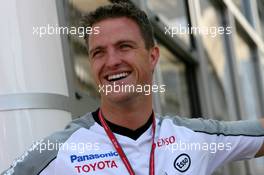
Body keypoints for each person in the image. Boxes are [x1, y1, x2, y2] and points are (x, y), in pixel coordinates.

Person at [2, 2, 264, 175]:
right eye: (98, 53)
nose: (112, 61)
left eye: (124, 46)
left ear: (152, 57)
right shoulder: (58, 151)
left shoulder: (193, 138)